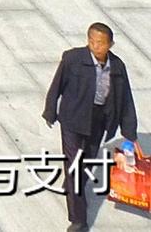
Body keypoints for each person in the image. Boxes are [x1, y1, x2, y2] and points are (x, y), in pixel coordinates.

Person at [44, 21, 139, 231]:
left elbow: (124, 99)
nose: (96, 47)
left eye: (101, 43)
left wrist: (129, 133)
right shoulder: (72, 59)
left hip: (99, 120)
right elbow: (57, 85)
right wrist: (50, 110)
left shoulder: (117, 67)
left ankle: (71, 185)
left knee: (87, 160)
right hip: (72, 119)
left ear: (110, 44)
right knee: (75, 167)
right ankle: (78, 219)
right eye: (92, 41)